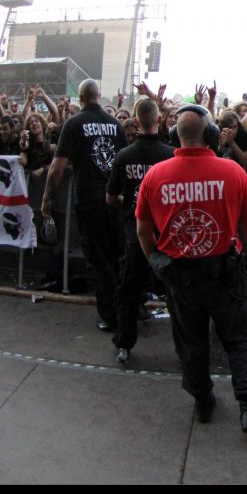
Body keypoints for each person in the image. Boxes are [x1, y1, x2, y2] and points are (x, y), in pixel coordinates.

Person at [134, 106, 247, 436]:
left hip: (180, 277)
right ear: (209, 134)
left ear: (175, 135)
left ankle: (203, 400)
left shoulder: (155, 176)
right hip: (226, 273)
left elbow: (142, 231)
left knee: (191, 342)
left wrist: (156, 261)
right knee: (239, 341)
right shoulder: (233, 172)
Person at [41, 79, 128, 332]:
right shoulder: (115, 124)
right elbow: (121, 162)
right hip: (115, 200)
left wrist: (47, 198)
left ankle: (111, 315)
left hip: (90, 202)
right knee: (117, 256)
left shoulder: (74, 123)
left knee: (99, 260)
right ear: (98, 96)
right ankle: (127, 309)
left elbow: (57, 168)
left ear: (80, 98)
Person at [105, 97, 175, 364]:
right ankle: (185, 345)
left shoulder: (124, 156)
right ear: (158, 120)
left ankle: (124, 343)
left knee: (128, 290)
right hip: (167, 233)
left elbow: (111, 198)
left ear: (135, 122)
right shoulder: (171, 156)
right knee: (175, 292)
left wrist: (130, 202)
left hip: (135, 234)